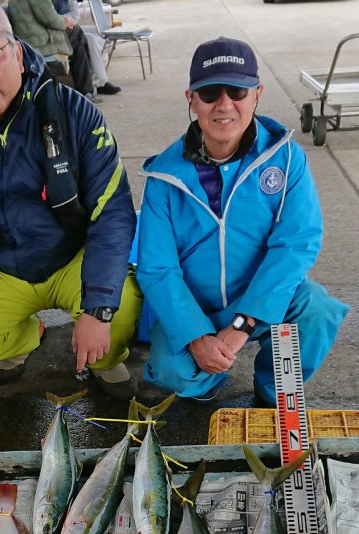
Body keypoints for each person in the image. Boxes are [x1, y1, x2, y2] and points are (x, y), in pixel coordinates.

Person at [0, 0, 142, 398]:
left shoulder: (76, 113)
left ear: (17, 53)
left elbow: (113, 213)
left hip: (73, 256)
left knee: (119, 310)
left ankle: (104, 357)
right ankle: (23, 337)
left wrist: (97, 309)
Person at [136, 36, 349, 405]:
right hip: (199, 308)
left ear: (257, 94)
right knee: (174, 374)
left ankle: (272, 391)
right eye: (209, 93)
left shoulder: (286, 159)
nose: (224, 105)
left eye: (237, 91)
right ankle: (209, 381)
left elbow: (296, 244)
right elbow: (157, 269)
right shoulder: (162, 178)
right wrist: (196, 336)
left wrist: (244, 322)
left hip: (264, 299)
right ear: (191, 98)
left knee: (317, 309)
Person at [8, 0, 99, 102]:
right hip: (38, 42)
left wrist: (65, 21)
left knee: (78, 39)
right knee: (77, 35)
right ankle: (86, 90)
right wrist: (66, 22)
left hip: (32, 38)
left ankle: (87, 87)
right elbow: (51, 19)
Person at [54, 0, 121, 95]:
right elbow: (49, 17)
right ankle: (88, 87)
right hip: (55, 31)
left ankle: (101, 82)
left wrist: (68, 21)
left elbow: (75, 14)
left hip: (69, 27)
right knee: (80, 40)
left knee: (91, 38)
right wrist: (64, 21)